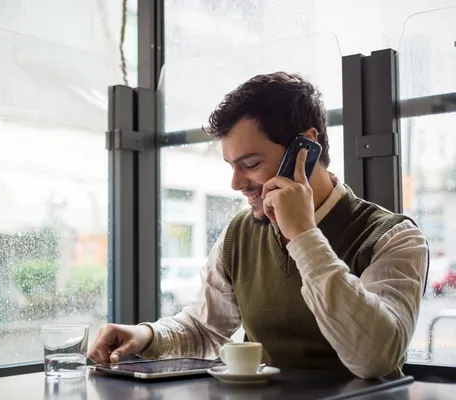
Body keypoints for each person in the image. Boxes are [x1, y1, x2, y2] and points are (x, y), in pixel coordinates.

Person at [88, 72, 428, 379]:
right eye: (231, 166)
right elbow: (205, 329)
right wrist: (146, 336)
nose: (236, 183)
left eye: (250, 164)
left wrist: (304, 236)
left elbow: (375, 359)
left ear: (305, 148)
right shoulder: (240, 233)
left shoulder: (394, 237)